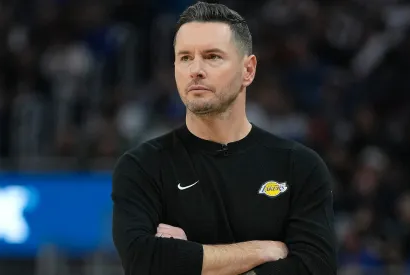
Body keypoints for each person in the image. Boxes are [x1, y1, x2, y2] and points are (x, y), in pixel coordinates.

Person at [111, 2, 337, 274]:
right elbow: (143, 261)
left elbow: (315, 269)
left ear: (248, 70)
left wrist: (190, 259)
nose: (195, 69)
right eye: (185, 57)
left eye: (212, 56)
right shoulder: (142, 166)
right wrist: (261, 250)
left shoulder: (299, 166)